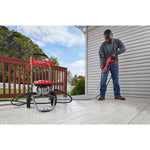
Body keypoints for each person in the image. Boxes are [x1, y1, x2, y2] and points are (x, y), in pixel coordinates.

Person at [98, 29, 126, 100]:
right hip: (106, 65)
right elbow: (101, 58)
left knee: (115, 80)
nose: (107, 40)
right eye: (106, 39)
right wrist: (103, 68)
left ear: (112, 35)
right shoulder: (102, 46)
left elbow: (124, 48)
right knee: (103, 79)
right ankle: (102, 95)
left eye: (108, 38)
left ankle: (117, 95)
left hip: (115, 65)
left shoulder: (117, 41)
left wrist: (116, 53)